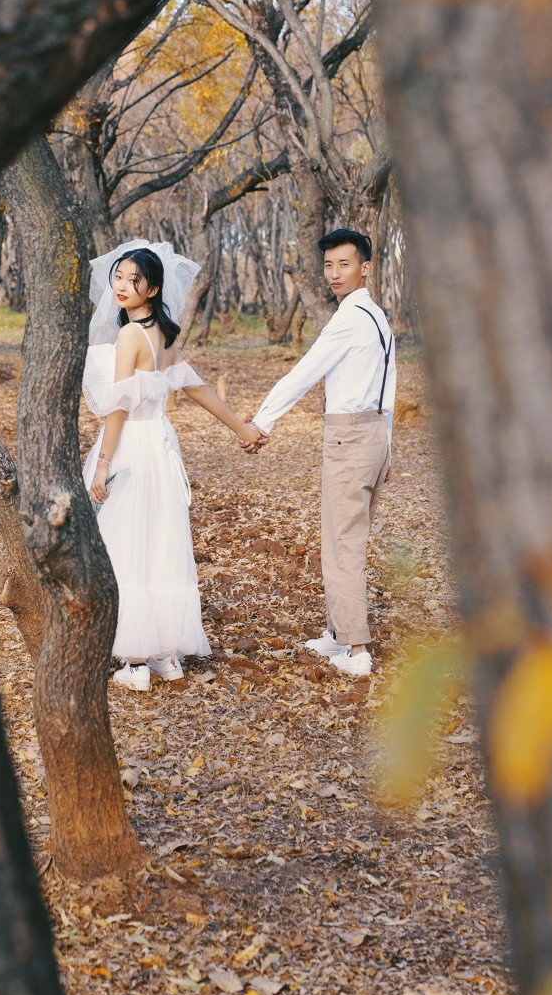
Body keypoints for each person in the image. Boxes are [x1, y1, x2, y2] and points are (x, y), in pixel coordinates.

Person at [83, 240, 267, 691]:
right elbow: (196, 387)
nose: (122, 286)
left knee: (126, 545)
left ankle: (135, 662)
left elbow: (119, 407)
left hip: (132, 445)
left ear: (152, 289)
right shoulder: (162, 335)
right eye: (119, 277)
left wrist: (103, 463)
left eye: (134, 280)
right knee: (159, 542)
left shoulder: (130, 335)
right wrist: (241, 428)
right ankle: (166, 656)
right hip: (160, 446)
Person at [249, 228, 396, 677]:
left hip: (350, 437)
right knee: (342, 538)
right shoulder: (377, 317)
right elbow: (390, 387)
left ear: (365, 268)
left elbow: (304, 372)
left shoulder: (350, 318)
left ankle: (357, 649)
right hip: (373, 435)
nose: (334, 274)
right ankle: (337, 633)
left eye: (344, 264)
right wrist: (387, 446)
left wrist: (263, 421)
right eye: (329, 265)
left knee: (342, 545)